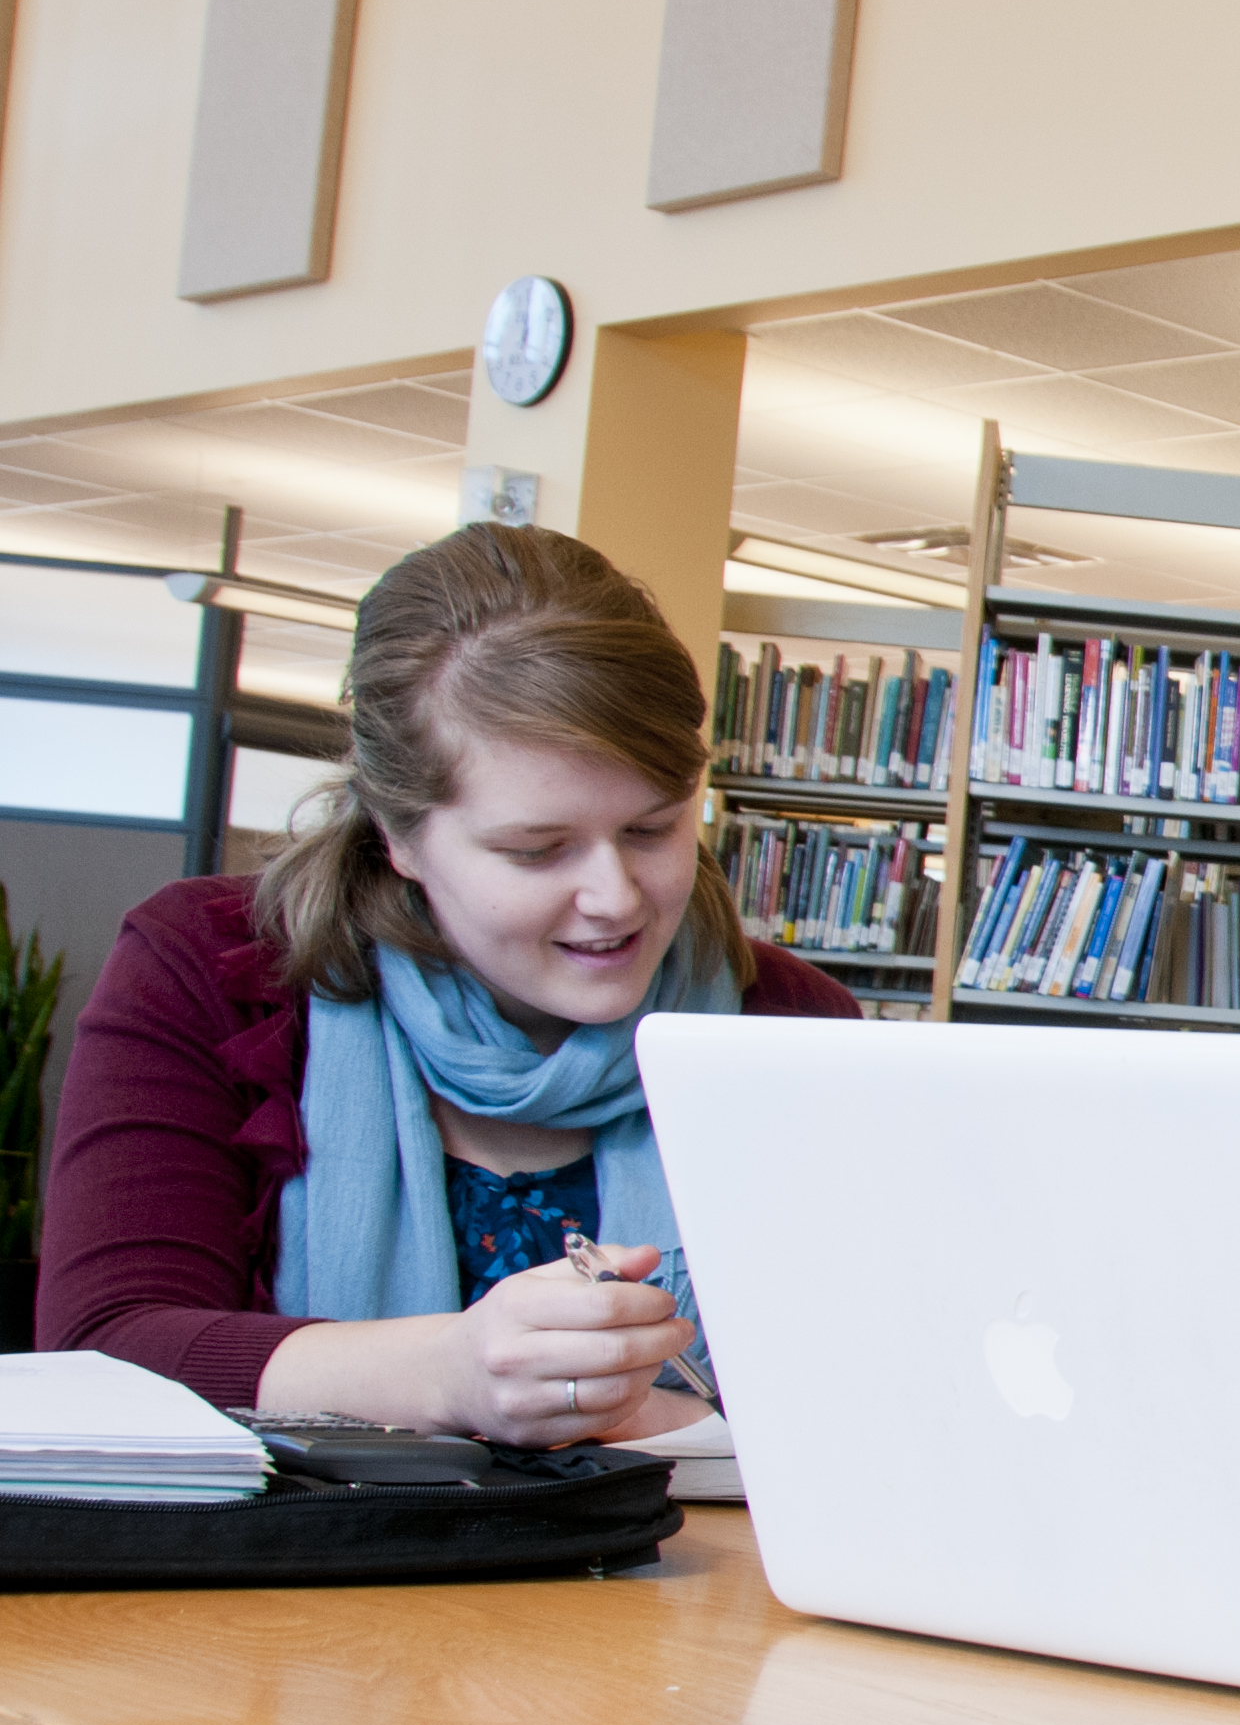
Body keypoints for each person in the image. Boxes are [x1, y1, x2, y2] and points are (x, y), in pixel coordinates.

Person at [43, 523, 856, 1441]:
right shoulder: (215, 969)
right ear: (398, 835)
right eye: (535, 849)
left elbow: (858, 1386)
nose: (615, 897)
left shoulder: (791, 1023)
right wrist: (445, 1376)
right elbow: (103, 1350)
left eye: (652, 830)